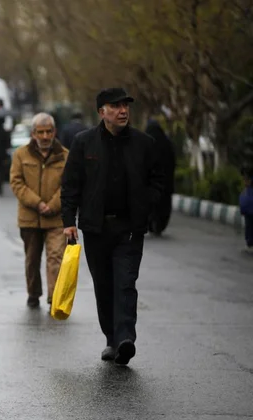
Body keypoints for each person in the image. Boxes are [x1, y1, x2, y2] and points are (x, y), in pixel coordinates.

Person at [61, 88, 165, 365]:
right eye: (115, 106)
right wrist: (68, 222)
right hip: (95, 229)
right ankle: (111, 339)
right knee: (104, 285)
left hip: (129, 228)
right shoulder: (84, 143)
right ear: (101, 112)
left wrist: (145, 205)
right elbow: (71, 185)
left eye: (126, 106)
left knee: (126, 283)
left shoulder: (144, 143)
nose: (123, 111)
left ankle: (125, 339)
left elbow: (159, 181)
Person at [9, 113, 69, 308]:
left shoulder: (65, 155)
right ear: (33, 133)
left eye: (48, 132)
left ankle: (54, 297)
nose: (44, 136)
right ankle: (33, 293)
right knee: (32, 259)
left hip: (56, 218)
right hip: (30, 218)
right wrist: (37, 203)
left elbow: (69, 185)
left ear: (54, 132)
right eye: (40, 132)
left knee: (55, 258)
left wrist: (53, 204)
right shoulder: (21, 154)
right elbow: (16, 182)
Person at [145, 116, 176, 235]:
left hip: (150, 182)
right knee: (163, 205)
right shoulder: (167, 144)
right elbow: (173, 161)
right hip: (166, 182)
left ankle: (150, 224)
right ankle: (159, 225)